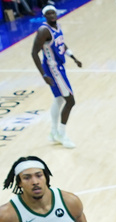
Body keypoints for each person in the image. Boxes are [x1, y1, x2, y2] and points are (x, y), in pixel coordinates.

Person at [30, 3, 81, 148]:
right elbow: (34, 53)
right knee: (70, 101)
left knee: (59, 99)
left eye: (54, 13)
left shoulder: (57, 26)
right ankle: (62, 134)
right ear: (45, 16)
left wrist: (73, 57)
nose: (52, 15)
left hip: (59, 67)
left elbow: (61, 44)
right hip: (53, 70)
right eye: (49, 14)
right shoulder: (43, 31)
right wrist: (43, 74)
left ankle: (53, 132)